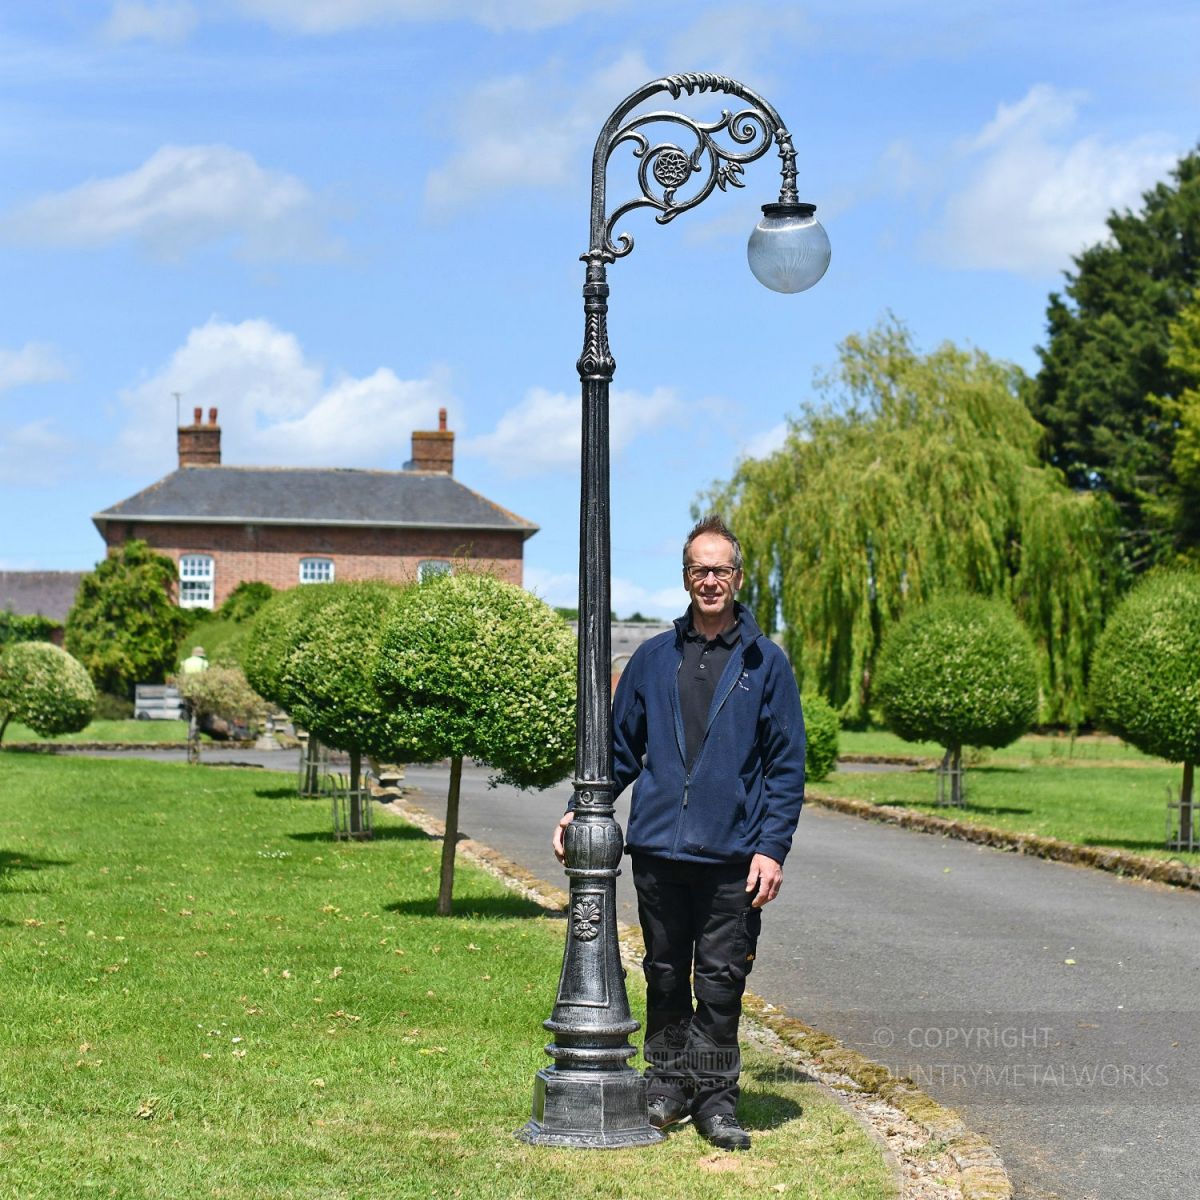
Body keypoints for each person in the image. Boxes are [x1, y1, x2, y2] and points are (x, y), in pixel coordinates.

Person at [553, 514, 806, 1151]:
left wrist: (771, 849)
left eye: (721, 569)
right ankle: (667, 1085)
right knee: (665, 975)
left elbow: (785, 766)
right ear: (686, 577)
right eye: (700, 569)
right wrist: (579, 810)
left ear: (739, 577)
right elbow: (618, 751)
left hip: (731, 859)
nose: (710, 580)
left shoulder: (764, 663)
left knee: (720, 983)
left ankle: (717, 1100)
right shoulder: (653, 658)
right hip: (660, 852)